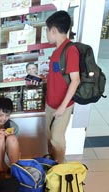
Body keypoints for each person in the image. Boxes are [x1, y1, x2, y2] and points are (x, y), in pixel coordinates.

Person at [45, 10, 80, 164]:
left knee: (57, 140)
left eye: (47, 30)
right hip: (50, 103)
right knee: (49, 138)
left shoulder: (70, 50)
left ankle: (60, 170)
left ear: (53, 30)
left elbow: (76, 80)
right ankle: (52, 166)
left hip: (62, 105)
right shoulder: (56, 51)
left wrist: (62, 106)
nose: (47, 34)